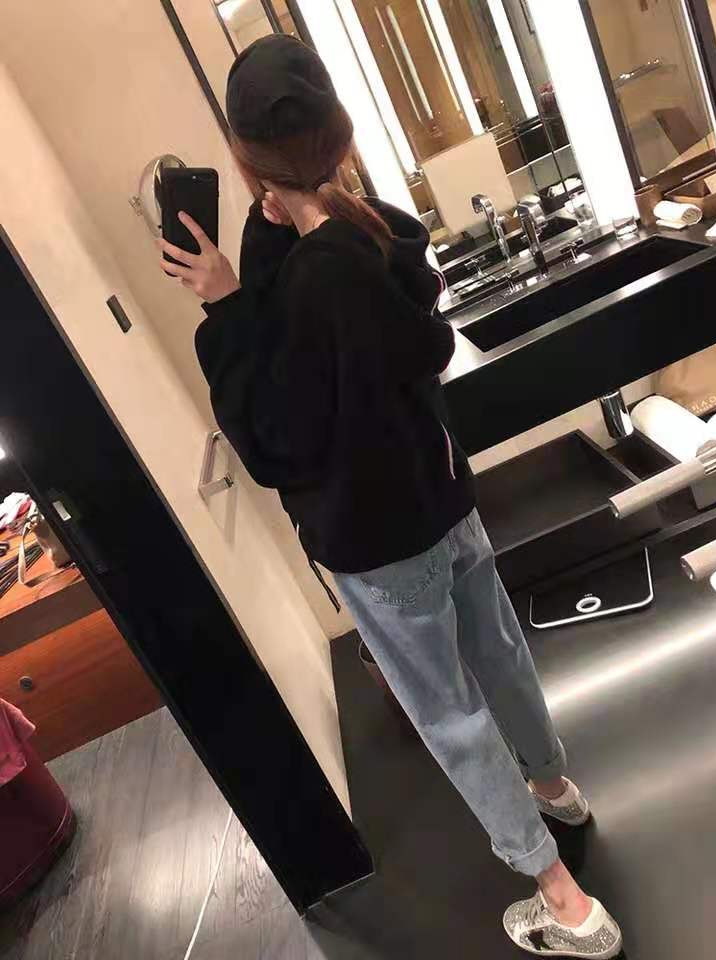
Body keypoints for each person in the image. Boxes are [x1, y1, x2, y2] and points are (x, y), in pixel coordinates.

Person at [158, 34, 622, 959]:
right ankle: (555, 790)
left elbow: (277, 440)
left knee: (450, 713)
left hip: (376, 543)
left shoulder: (315, 282)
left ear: (247, 159)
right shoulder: (375, 234)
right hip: (444, 500)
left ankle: (565, 902)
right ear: (337, 134)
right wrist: (270, 233)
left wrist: (223, 306)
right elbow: (337, 335)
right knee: (499, 657)